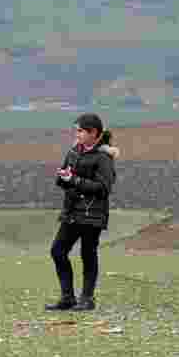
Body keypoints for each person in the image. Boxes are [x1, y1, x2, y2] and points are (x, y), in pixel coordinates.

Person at [46, 113, 120, 312]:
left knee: (88, 254)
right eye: (76, 130)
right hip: (71, 211)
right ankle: (67, 298)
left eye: (80, 130)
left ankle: (87, 299)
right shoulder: (73, 152)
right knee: (57, 251)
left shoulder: (103, 157)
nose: (76, 134)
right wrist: (63, 177)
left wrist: (75, 180)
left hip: (92, 214)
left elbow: (104, 188)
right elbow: (63, 180)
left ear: (93, 132)